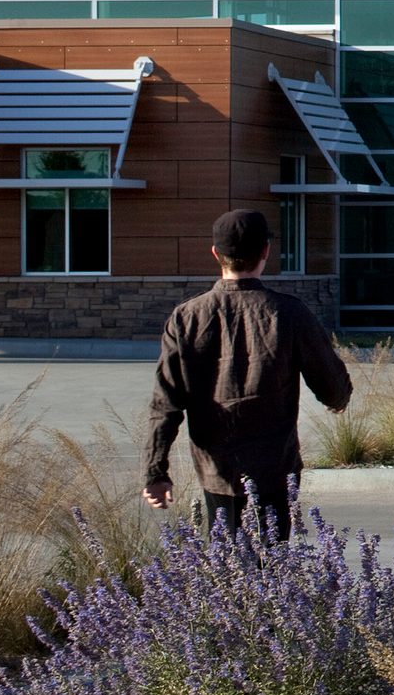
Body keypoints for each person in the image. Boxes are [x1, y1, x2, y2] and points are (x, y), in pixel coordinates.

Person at [144, 209, 352, 539]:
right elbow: (331, 384)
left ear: (216, 254)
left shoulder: (186, 318)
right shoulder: (288, 313)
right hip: (276, 467)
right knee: (272, 570)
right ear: (266, 252)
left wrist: (156, 471)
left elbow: (166, 402)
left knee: (230, 575)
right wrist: (337, 399)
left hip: (217, 471)